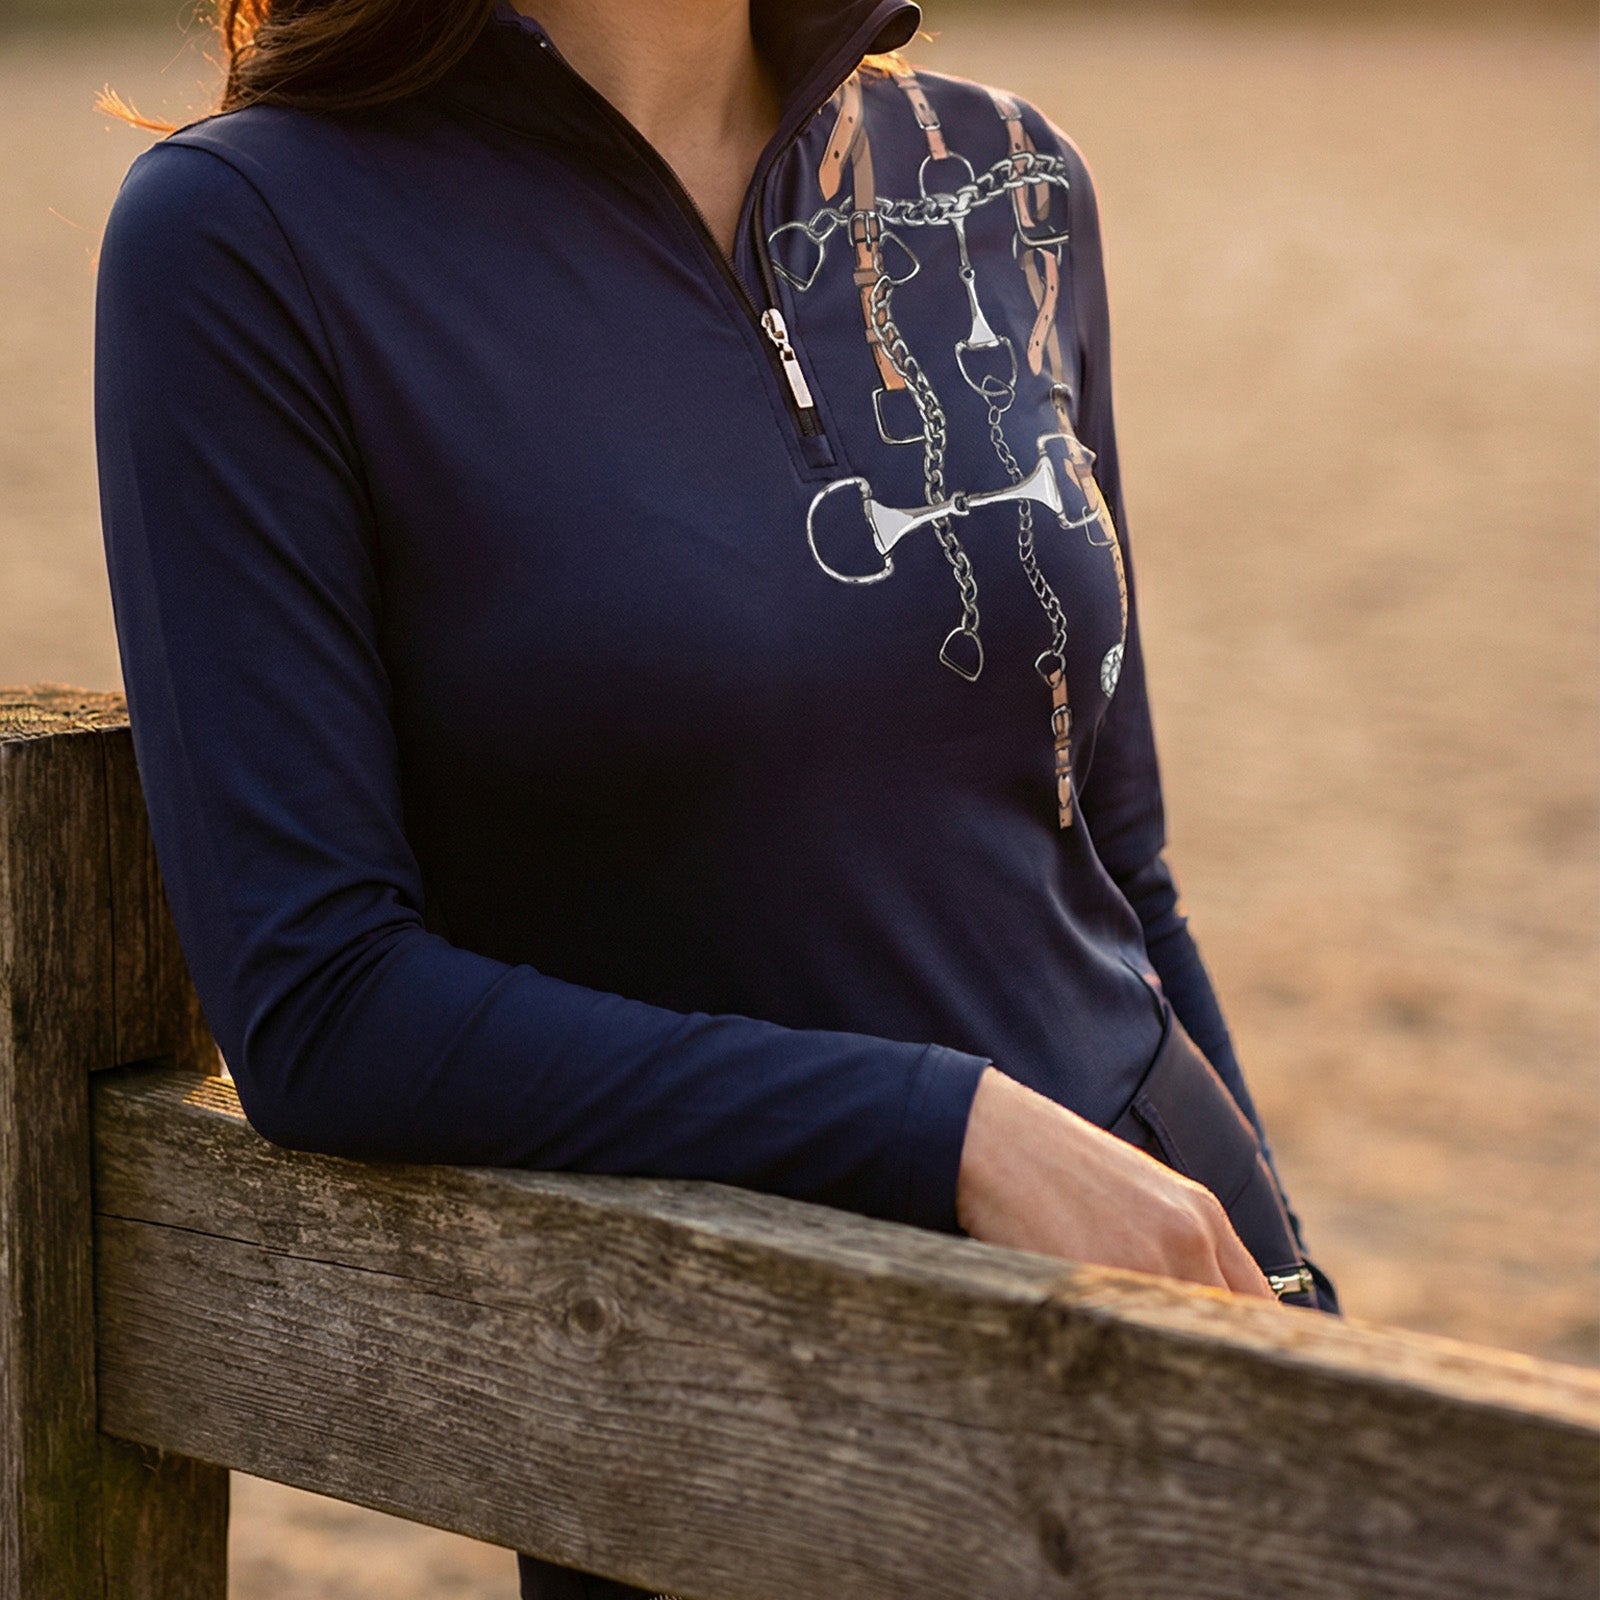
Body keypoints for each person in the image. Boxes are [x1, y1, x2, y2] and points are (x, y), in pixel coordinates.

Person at [93, 0, 1339, 1592]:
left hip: (1180, 1308)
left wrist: (1299, 1313)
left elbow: (1117, 860)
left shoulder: (1006, 177)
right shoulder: (253, 238)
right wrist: (938, 1129)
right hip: (742, 1410)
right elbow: (323, 1007)